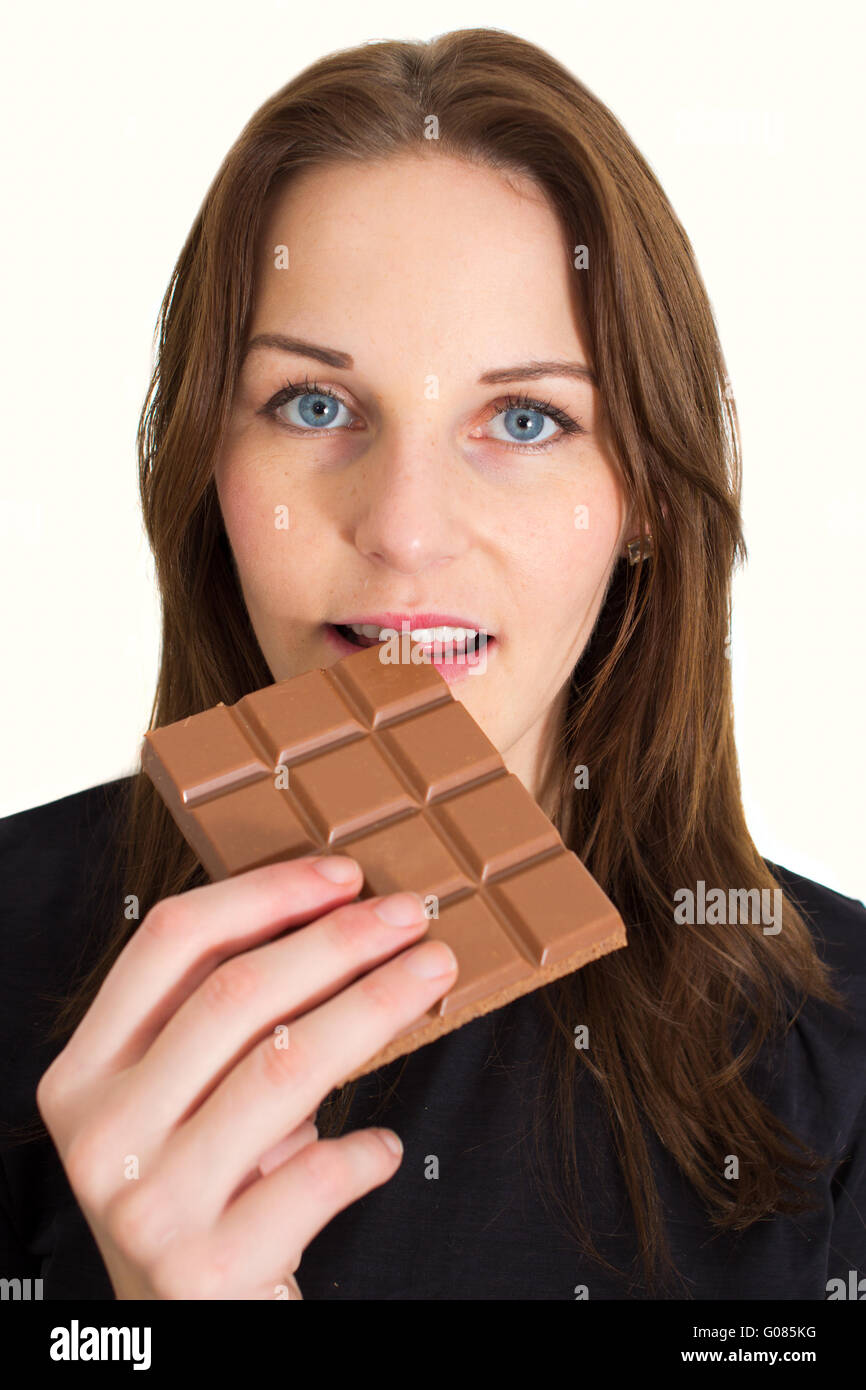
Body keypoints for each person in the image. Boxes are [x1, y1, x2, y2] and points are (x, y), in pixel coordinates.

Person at [1, 28, 863, 1302]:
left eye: (524, 419)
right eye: (312, 404)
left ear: (645, 502)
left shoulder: (840, 1056)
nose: (403, 528)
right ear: (206, 474)